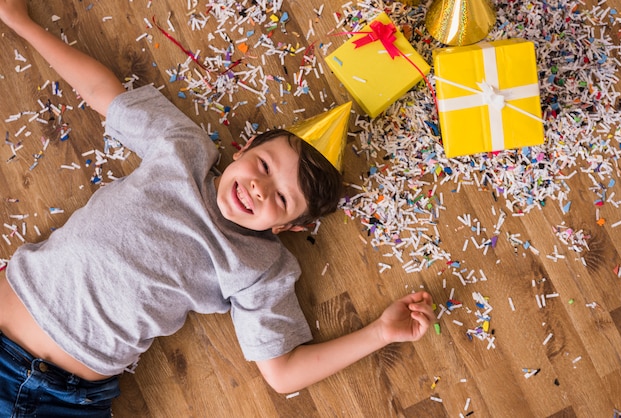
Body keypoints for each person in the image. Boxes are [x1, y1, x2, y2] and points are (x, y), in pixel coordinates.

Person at [0, 0, 435, 416]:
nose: (259, 188)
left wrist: (379, 333)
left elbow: (283, 372)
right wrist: (22, 22)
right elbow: (102, 92)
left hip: (58, 396)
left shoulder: (261, 267)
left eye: (281, 199)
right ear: (244, 148)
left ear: (288, 228)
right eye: (263, 165)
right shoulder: (183, 148)